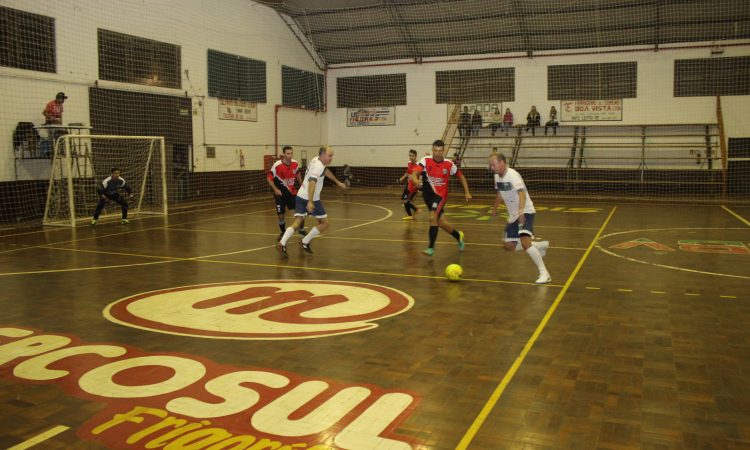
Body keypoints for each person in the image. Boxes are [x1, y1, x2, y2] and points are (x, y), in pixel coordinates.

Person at [489, 153, 551, 284]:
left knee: (524, 242)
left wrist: (521, 211)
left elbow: (521, 193)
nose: (491, 167)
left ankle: (544, 273)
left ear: (502, 163)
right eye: (491, 165)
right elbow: (500, 193)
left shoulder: (512, 175)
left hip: (525, 211)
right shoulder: (497, 177)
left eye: (493, 164)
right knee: (509, 246)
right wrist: (494, 209)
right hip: (513, 216)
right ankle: (539, 246)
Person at [276, 146, 346, 258]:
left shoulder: (315, 160)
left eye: (332, 156)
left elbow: (326, 171)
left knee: (298, 222)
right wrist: (310, 201)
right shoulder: (318, 166)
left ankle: (282, 243)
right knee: (324, 223)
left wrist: (337, 182)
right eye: (329, 156)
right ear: (322, 155)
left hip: (300, 194)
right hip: (311, 197)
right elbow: (312, 182)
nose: (331, 158)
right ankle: (305, 242)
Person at [411, 139, 472, 256]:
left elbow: (461, 177)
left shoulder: (449, 164)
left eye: (440, 151)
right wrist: (416, 182)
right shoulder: (425, 160)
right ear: (432, 150)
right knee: (442, 223)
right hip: (428, 197)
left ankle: (431, 248)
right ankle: (458, 236)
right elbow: (414, 174)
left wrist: (467, 192)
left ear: (443, 151)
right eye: (435, 150)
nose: (437, 153)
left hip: (440, 197)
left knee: (432, 217)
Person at [267, 145, 306, 241]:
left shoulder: (295, 163)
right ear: (283, 154)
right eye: (288, 153)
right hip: (280, 195)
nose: (290, 155)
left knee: (299, 212)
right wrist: (275, 189)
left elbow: (297, 173)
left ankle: (301, 229)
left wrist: (302, 184)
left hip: (292, 193)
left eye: (291, 153)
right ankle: (282, 232)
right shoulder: (277, 165)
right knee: (281, 216)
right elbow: (269, 178)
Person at [398, 149, 420, 220]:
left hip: (413, 187)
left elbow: (420, 176)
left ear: (416, 156)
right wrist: (402, 178)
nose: (411, 157)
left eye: (412, 155)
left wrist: (418, 186)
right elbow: (408, 172)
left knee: (405, 200)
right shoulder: (409, 163)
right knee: (405, 200)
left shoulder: (418, 165)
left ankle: (411, 214)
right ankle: (415, 210)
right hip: (408, 185)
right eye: (410, 155)